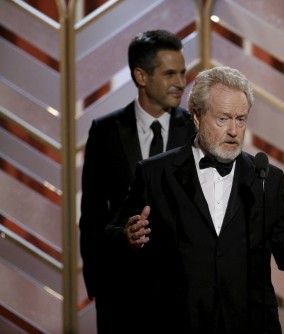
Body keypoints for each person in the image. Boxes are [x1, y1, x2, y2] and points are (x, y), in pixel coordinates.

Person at [105, 65, 284, 334]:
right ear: (196, 117)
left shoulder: (266, 178)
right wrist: (127, 237)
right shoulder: (154, 174)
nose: (234, 130)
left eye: (240, 120)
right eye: (223, 119)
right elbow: (109, 238)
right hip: (178, 322)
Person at [79, 29, 196, 332]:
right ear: (141, 76)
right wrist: (99, 286)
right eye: (170, 74)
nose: (181, 83)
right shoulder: (105, 132)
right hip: (122, 294)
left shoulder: (195, 132)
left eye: (183, 72)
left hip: (183, 295)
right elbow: (92, 216)